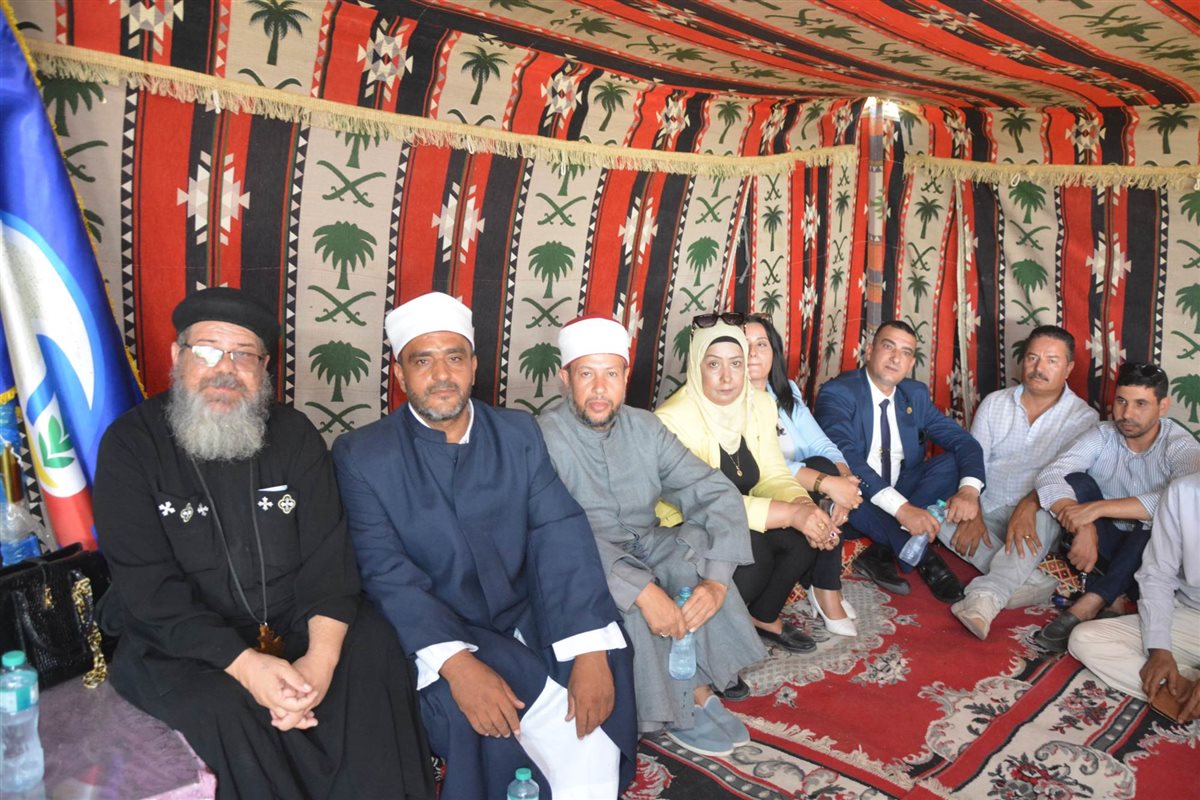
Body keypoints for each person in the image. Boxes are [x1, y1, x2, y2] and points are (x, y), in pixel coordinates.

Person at [93, 288, 434, 800]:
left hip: (295, 625)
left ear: (264, 367)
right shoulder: (130, 445)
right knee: (224, 708)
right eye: (207, 350)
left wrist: (319, 663)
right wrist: (247, 666)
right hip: (185, 645)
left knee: (373, 650)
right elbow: (148, 587)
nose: (224, 369)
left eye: (243, 355)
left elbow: (329, 560)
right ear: (177, 356)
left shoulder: (294, 434)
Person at [331, 292, 637, 799]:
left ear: (474, 366)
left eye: (454, 357)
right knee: (485, 707)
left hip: (525, 612)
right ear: (399, 373)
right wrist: (455, 663)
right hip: (439, 627)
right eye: (422, 361)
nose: (441, 374)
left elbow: (559, 530)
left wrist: (587, 647)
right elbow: (384, 571)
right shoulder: (362, 455)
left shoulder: (516, 433)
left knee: (606, 658)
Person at [539, 316, 767, 757]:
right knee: (631, 600)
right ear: (565, 378)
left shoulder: (645, 427)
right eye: (586, 374)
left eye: (611, 374)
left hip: (645, 540)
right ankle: (674, 709)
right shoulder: (542, 437)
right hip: (582, 556)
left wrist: (716, 582)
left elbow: (713, 490)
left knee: (689, 560)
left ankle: (698, 689)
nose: (600, 389)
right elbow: (554, 530)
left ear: (626, 377)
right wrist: (641, 591)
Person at [655, 315, 841, 655]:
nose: (727, 377)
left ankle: (762, 617)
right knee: (753, 550)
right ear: (696, 366)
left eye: (736, 363)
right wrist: (790, 514)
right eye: (714, 364)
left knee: (802, 536)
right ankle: (714, 644)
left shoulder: (760, 404)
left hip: (742, 514)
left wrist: (804, 507)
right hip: (688, 525)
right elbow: (705, 501)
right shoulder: (671, 420)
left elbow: (772, 473)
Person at [1032, 362, 1200, 653]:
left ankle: (1092, 600)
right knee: (1077, 482)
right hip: (1100, 546)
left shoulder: (1181, 447)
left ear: (1163, 406)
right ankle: (1114, 594)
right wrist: (1084, 525)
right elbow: (1051, 473)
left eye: (1140, 404)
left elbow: (1182, 503)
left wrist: (1096, 509)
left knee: (1154, 523)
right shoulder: (1103, 434)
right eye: (1121, 401)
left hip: (1150, 558)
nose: (1127, 414)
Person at [814, 320, 985, 604]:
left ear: (911, 363)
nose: (896, 358)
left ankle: (880, 550)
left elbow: (964, 442)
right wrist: (903, 510)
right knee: (850, 489)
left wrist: (969, 491)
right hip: (857, 496)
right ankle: (923, 557)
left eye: (906, 353)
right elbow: (846, 457)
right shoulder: (839, 392)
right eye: (888, 347)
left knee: (955, 463)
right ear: (870, 351)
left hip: (902, 487)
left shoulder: (914, 394)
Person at [945, 326, 1098, 639]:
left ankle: (984, 599)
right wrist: (972, 507)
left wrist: (1029, 505)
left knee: (1050, 511)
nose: (1039, 368)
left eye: (1052, 361)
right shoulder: (995, 403)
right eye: (1032, 358)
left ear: (1069, 368)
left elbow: (1067, 477)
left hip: (1038, 517)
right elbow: (974, 462)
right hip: (986, 507)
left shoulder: (1083, 418)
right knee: (936, 516)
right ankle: (1029, 582)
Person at [744, 314, 861, 635]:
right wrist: (830, 485)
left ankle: (822, 584)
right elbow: (763, 466)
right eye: (744, 344)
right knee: (822, 476)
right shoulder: (730, 399)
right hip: (761, 491)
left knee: (825, 464)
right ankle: (825, 588)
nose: (753, 353)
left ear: (774, 352)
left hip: (804, 486)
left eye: (761, 344)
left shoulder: (785, 391)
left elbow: (820, 443)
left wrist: (844, 481)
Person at [1068, 473, 1200, 722]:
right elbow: (1158, 575)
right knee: (1085, 640)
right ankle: (1181, 687)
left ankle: (1178, 691)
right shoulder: (1183, 492)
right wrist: (1159, 649)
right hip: (1193, 616)